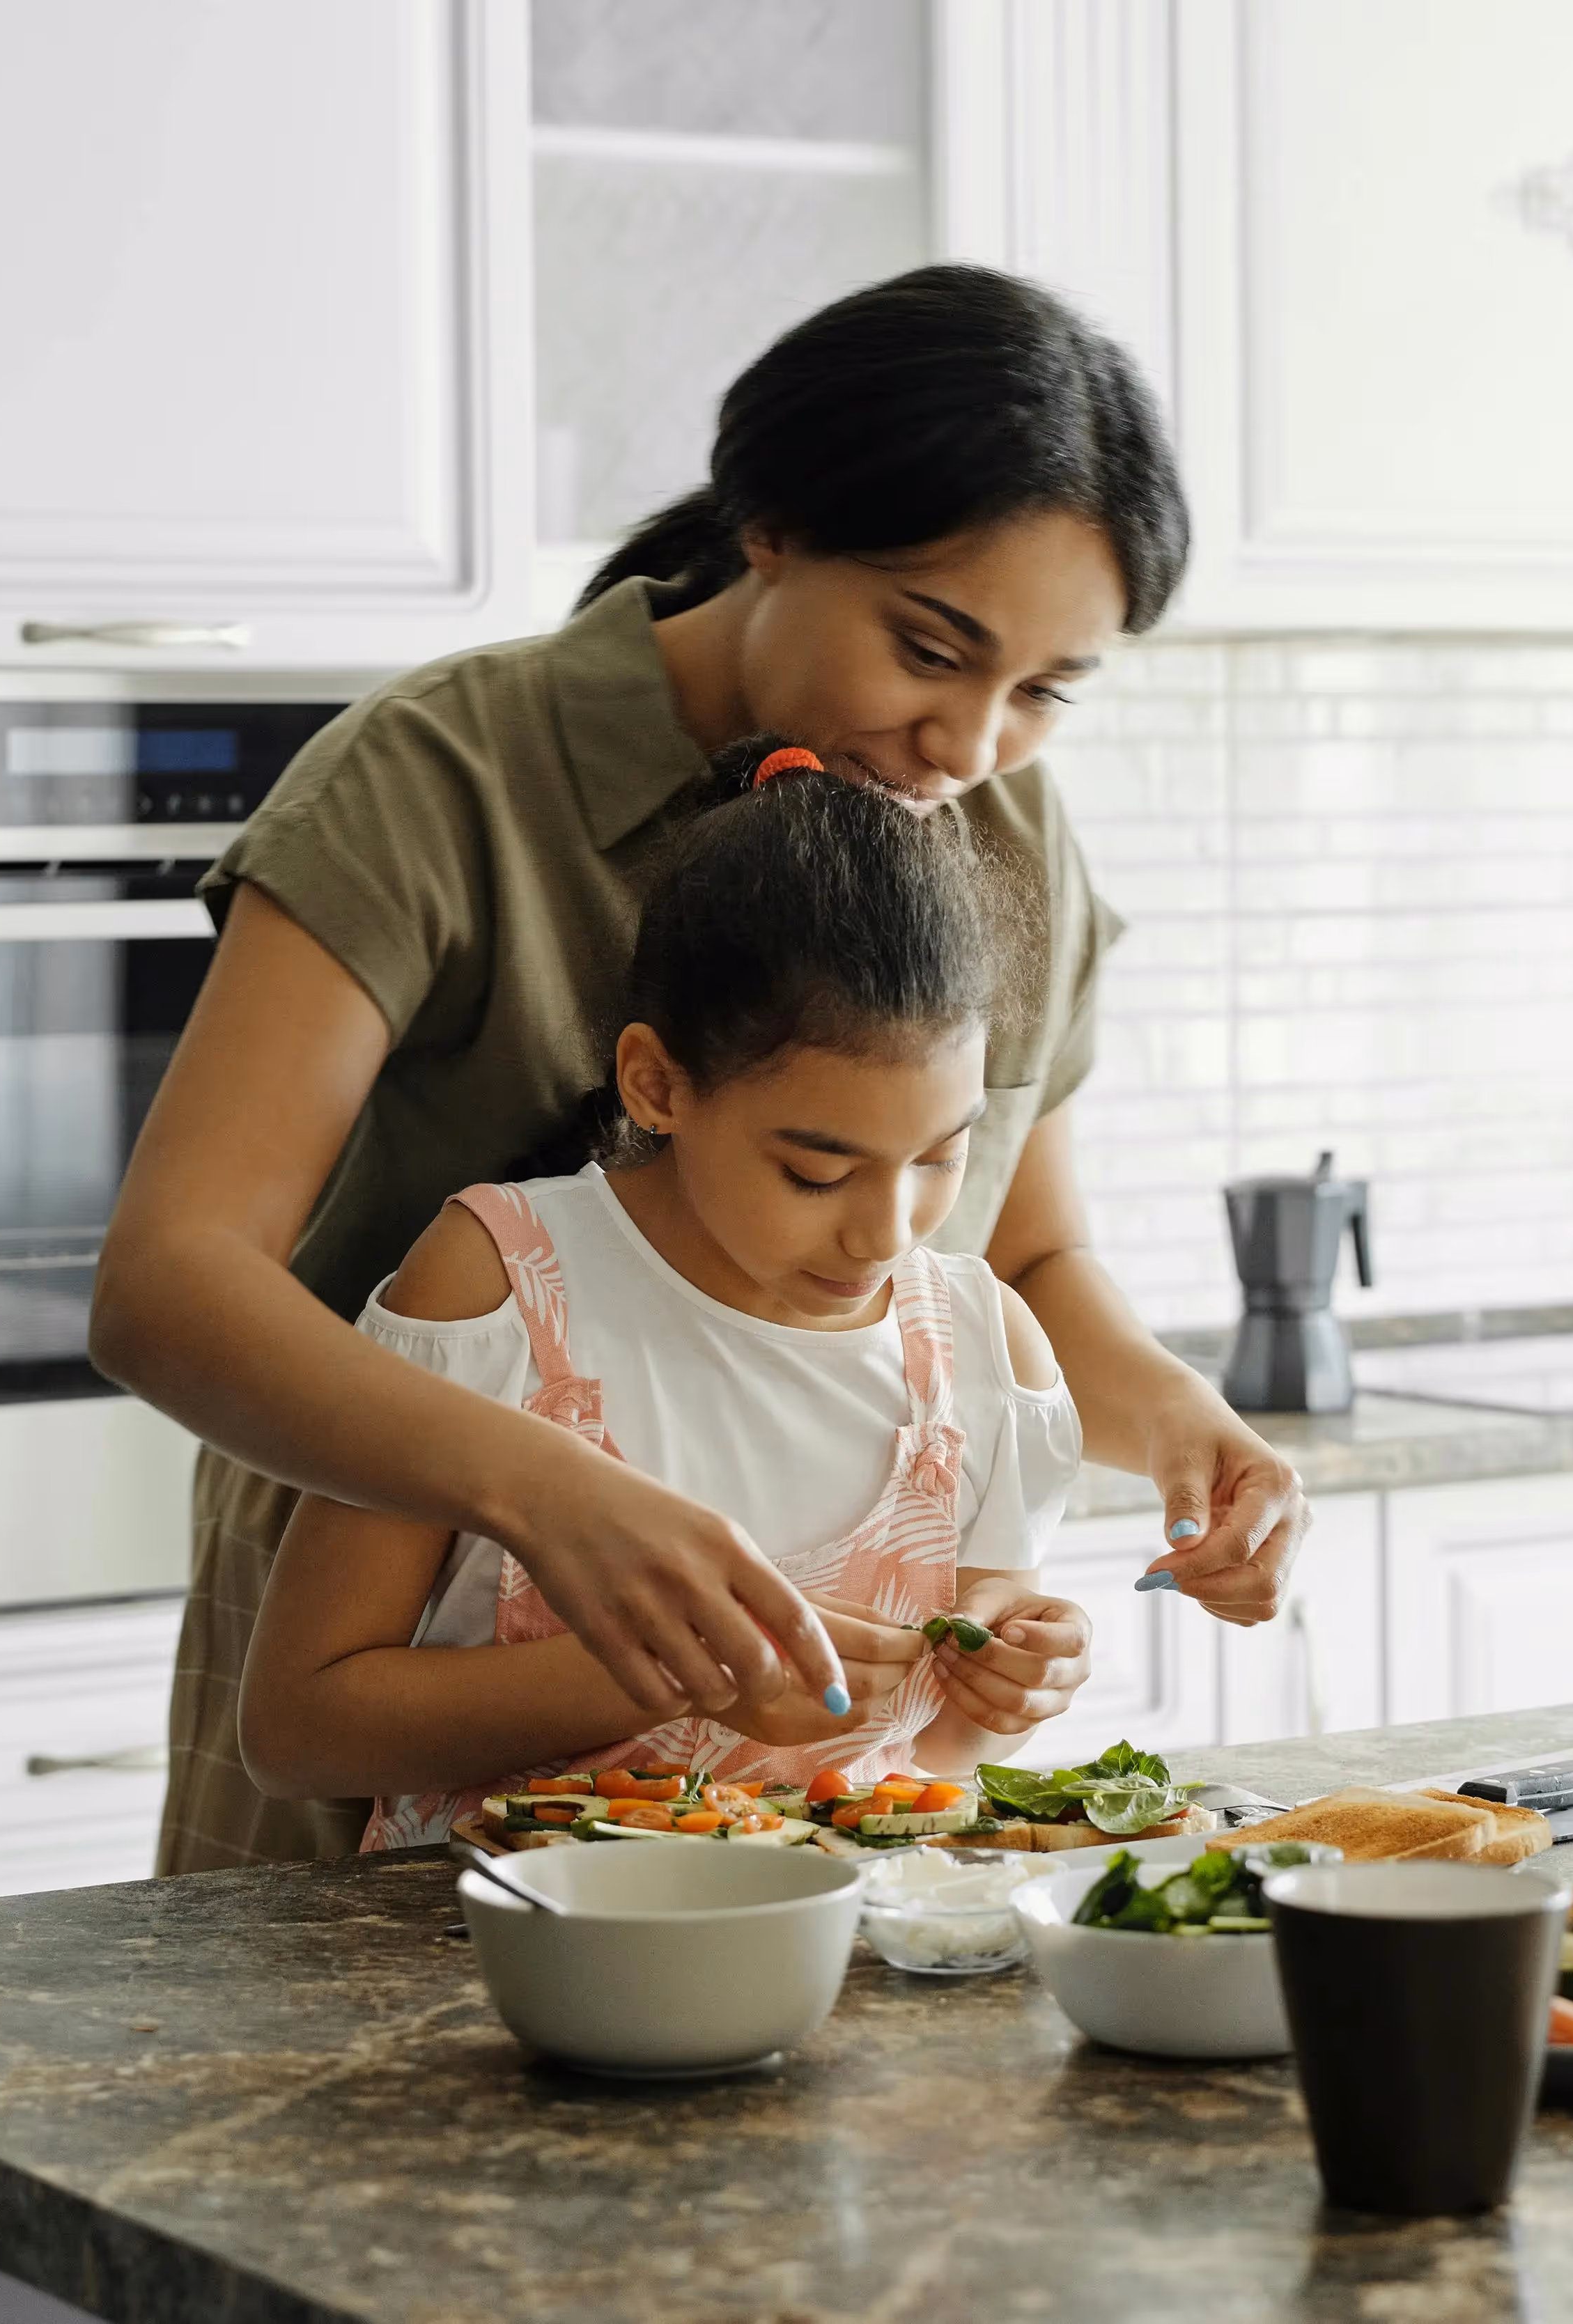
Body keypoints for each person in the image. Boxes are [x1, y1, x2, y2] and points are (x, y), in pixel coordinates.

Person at [92, 263, 1311, 1870]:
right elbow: (169, 1286)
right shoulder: (440, 778)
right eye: (930, 648)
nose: (971, 743)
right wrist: (551, 1496)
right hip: (398, 1665)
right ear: (773, 529)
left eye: (1041, 694)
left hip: (796, 1808)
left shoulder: (998, 828)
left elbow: (1016, 1252)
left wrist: (1173, 1424)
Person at [242, 742, 1083, 1839]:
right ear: (656, 1083)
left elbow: (936, 1762)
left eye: (940, 1157)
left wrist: (1005, 1693)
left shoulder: (982, 1350)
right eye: (816, 1172)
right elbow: (298, 1730)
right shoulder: (500, 1289)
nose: (888, 1231)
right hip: (490, 1968)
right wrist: (675, 1674)